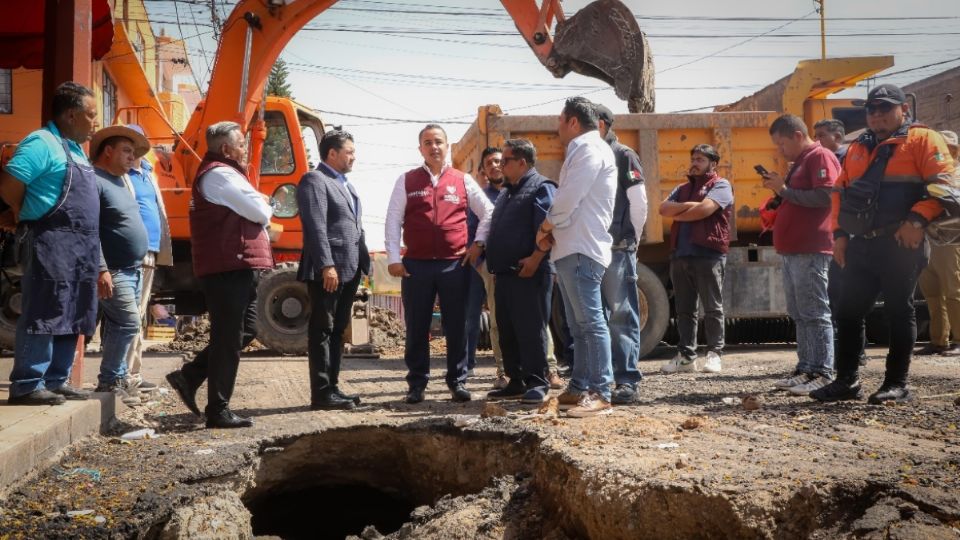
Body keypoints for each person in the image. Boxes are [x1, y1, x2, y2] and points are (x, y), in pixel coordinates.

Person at [812, 84, 956, 404]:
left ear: (903, 109)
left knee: (898, 311)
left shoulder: (923, 139)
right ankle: (847, 382)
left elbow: (946, 185)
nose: (877, 115)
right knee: (848, 312)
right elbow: (840, 192)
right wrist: (839, 236)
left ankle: (896, 384)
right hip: (862, 244)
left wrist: (917, 220)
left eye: (885, 108)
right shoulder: (859, 146)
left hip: (901, 243)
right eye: (872, 110)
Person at [165, 121, 273, 428]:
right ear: (226, 149)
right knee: (227, 338)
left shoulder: (228, 174)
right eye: (241, 144)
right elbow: (261, 213)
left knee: (245, 330)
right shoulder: (220, 174)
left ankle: (190, 376)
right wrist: (267, 203)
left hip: (237, 266)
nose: (244, 149)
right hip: (228, 267)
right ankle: (218, 410)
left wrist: (259, 202)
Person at [1, 82, 99, 405]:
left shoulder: (77, 150)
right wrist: (19, 210)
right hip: (48, 240)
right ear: (71, 114)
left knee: (72, 309)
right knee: (44, 308)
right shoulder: (42, 143)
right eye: (91, 115)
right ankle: (28, 383)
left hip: (79, 247)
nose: (94, 122)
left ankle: (57, 379)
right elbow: (10, 183)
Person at [385, 124, 494, 404]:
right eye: (428, 142)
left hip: (454, 265)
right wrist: (395, 259)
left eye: (439, 142)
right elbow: (393, 220)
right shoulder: (406, 180)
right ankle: (416, 384)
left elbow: (489, 213)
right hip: (416, 266)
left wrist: (478, 244)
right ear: (420, 148)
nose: (434, 147)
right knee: (417, 326)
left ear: (447, 147)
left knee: (456, 326)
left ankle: (457, 382)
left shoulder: (463, 180)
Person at [535, 97, 617, 418]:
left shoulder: (588, 149)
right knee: (578, 324)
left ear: (572, 122)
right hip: (573, 248)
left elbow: (568, 198)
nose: (557, 127)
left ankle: (601, 391)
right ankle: (580, 386)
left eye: (559, 120)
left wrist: (546, 224)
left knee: (591, 322)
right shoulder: (583, 149)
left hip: (583, 248)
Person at [762, 114, 841, 395]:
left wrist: (783, 189)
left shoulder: (820, 157)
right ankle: (807, 368)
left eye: (782, 144)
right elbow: (799, 196)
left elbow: (825, 196)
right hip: (794, 249)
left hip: (810, 248)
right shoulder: (801, 163)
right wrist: (781, 192)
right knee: (800, 312)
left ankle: (823, 372)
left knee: (815, 312)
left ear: (797, 135)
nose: (780, 151)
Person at [297, 130, 370, 410]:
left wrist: (364, 261)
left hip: (349, 268)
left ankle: (333, 388)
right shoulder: (315, 180)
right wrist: (326, 264)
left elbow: (353, 225)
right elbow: (315, 227)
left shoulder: (345, 184)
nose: (354, 156)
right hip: (329, 269)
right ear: (332, 153)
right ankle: (322, 393)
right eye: (349, 151)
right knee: (322, 329)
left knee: (337, 330)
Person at [485, 139, 557, 404]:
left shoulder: (542, 188)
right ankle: (515, 380)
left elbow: (550, 229)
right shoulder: (507, 192)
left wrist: (536, 258)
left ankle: (537, 382)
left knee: (531, 329)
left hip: (530, 273)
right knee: (508, 330)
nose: (500, 166)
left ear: (522, 163)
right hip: (505, 275)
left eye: (505, 161)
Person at [659, 144, 733, 374]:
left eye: (701, 159)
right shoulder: (682, 188)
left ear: (713, 163)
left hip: (708, 254)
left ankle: (714, 355)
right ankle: (687, 357)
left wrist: (682, 213)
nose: (695, 162)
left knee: (712, 308)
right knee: (684, 310)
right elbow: (663, 209)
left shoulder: (721, 185)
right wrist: (693, 206)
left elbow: (706, 210)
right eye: (693, 158)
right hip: (681, 255)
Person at [90, 126, 151, 405]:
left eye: (134, 153)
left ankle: (118, 378)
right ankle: (110, 381)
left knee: (120, 325)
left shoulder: (120, 181)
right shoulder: (96, 181)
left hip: (132, 268)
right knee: (127, 323)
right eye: (127, 151)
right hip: (113, 269)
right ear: (108, 151)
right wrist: (101, 268)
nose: (132, 157)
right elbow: (90, 230)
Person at [594, 104, 648, 405]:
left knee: (621, 315)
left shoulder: (623, 155)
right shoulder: (589, 156)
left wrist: (632, 241)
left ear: (601, 125)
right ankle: (600, 379)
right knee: (595, 318)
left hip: (616, 248)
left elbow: (639, 202)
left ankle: (627, 381)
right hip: (593, 247)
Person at [123, 125, 173, 396]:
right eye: (129, 147)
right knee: (129, 316)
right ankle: (124, 377)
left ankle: (134, 374)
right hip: (132, 252)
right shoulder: (123, 176)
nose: (134, 152)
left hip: (150, 252)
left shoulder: (147, 174)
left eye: (138, 146)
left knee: (139, 315)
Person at [916, 130, 960, 356]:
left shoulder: (957, 174)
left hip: (952, 239)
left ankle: (959, 339)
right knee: (931, 290)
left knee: (954, 290)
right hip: (930, 237)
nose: (946, 152)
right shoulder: (928, 174)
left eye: (950, 148)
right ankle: (939, 340)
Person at [465, 147, 504, 385]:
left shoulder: (514, 194)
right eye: (489, 163)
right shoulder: (479, 197)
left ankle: (507, 369)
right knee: (470, 317)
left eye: (498, 161)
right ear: (483, 171)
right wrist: (478, 262)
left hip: (503, 269)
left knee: (501, 319)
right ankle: (467, 365)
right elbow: (470, 229)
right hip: (478, 266)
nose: (494, 166)